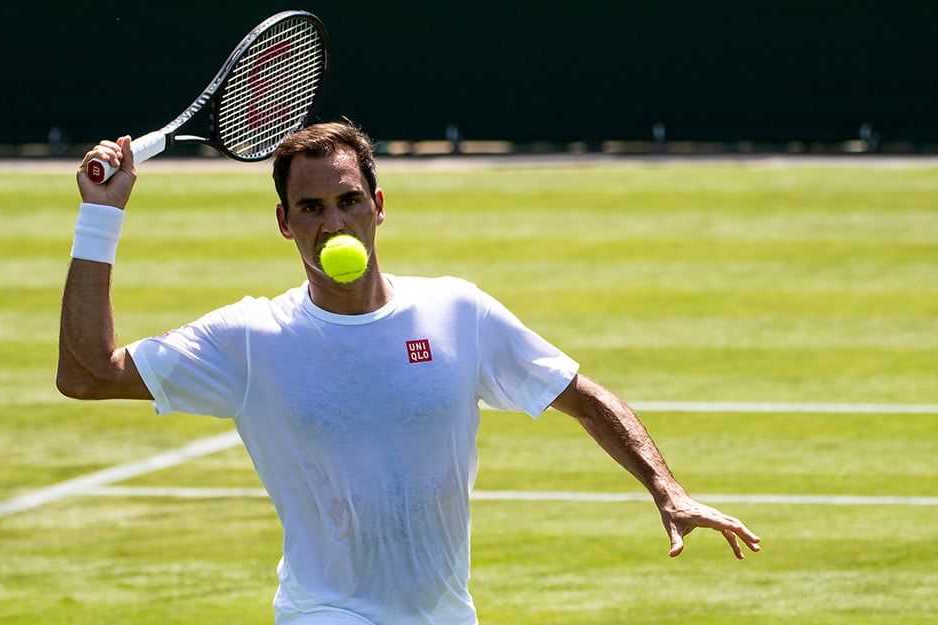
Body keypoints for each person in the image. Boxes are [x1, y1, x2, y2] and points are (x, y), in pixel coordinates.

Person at [57, 122, 760, 625]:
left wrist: (667, 490)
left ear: (378, 206)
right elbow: (88, 373)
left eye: (347, 200)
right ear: (284, 222)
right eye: (310, 208)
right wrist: (101, 219)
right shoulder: (249, 338)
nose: (332, 223)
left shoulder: (458, 311)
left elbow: (581, 396)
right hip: (323, 612)